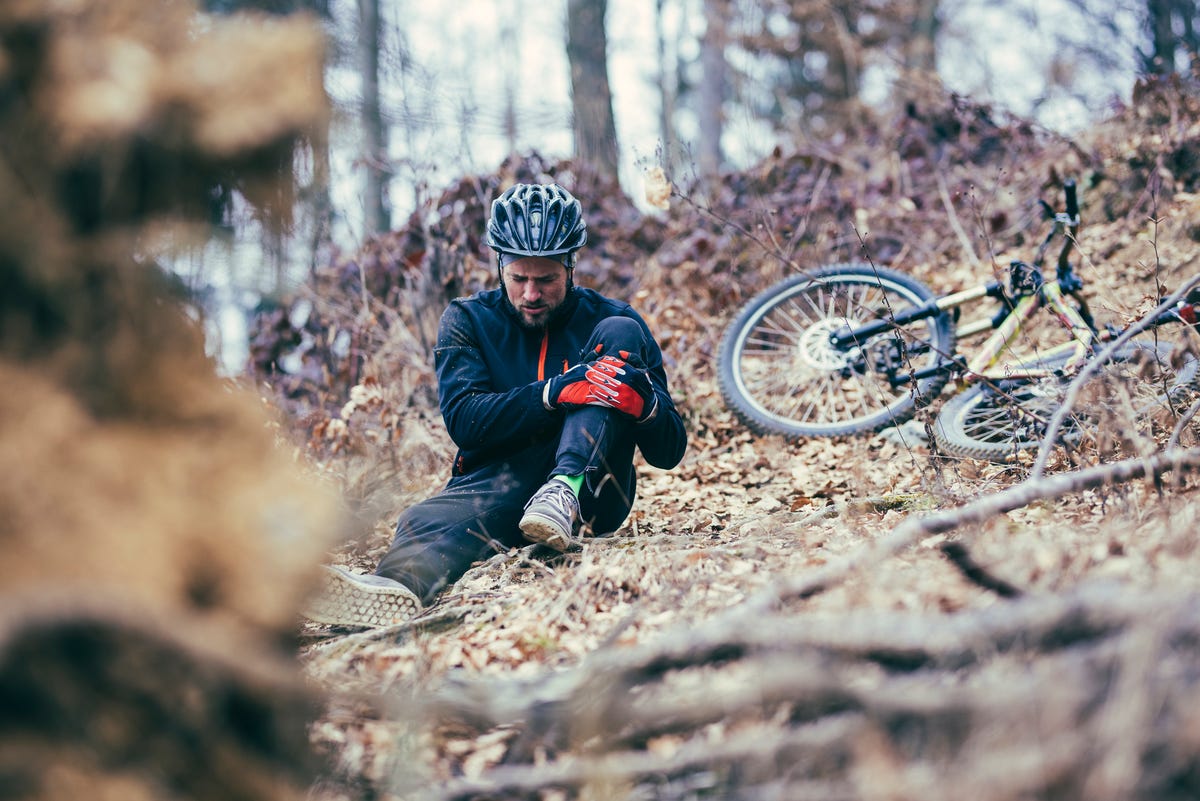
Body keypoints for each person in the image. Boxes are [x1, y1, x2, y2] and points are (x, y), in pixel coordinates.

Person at [305, 182, 688, 628]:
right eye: (518, 278)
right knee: (425, 518)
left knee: (618, 333)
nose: (530, 294)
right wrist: (556, 391)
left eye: (546, 279)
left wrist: (645, 408)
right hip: (503, 481)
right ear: (499, 265)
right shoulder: (467, 319)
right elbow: (467, 422)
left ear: (570, 267)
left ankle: (563, 488)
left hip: (594, 491)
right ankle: (391, 593)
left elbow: (670, 451)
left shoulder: (611, 320)